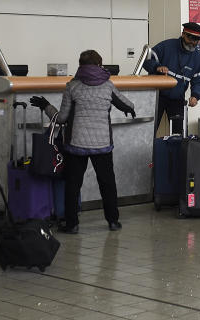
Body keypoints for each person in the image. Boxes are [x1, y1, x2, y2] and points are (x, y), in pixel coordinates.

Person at [30, 50, 134, 233]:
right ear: (99, 65)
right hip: (102, 144)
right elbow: (127, 104)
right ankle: (113, 221)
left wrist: (45, 105)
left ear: (80, 65)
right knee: (107, 183)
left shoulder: (72, 86)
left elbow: (61, 118)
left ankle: (72, 225)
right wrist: (127, 108)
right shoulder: (108, 86)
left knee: (73, 184)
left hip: (76, 143)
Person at [143, 22, 200, 134]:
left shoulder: (197, 58)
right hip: (157, 96)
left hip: (177, 99)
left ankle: (176, 151)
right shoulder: (166, 46)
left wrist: (195, 95)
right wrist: (157, 67)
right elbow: (146, 60)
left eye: (196, 39)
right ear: (183, 34)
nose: (192, 42)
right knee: (148, 130)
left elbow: (199, 80)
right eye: (190, 38)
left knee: (178, 133)